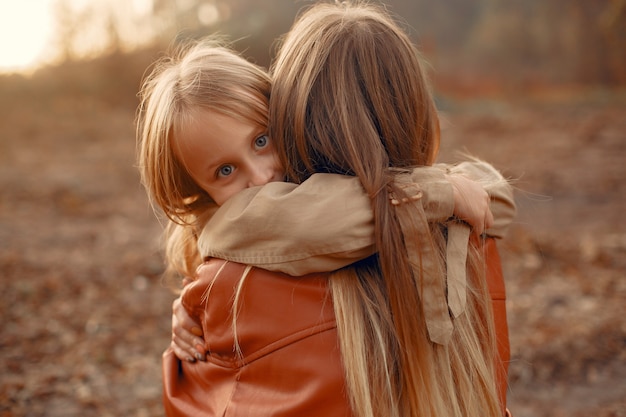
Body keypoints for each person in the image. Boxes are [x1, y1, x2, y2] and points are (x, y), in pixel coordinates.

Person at [136, 4, 515, 416]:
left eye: (262, 140)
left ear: (288, 114)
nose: (262, 178)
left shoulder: (238, 278)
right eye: (225, 170)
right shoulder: (470, 233)